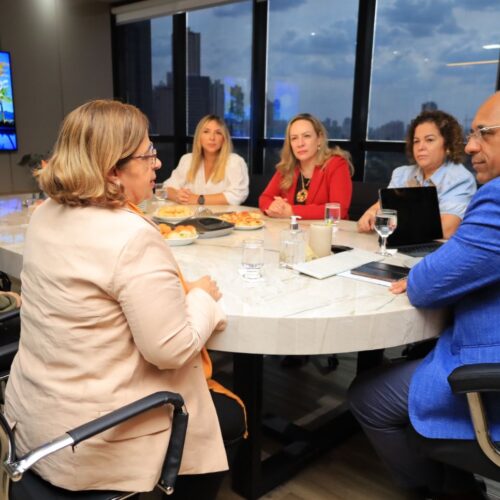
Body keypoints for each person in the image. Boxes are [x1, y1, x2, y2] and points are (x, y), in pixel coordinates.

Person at [4, 100, 245, 498]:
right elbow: (171, 350)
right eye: (148, 154)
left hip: (30, 422)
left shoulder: (44, 214)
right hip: (89, 439)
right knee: (229, 416)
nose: (158, 165)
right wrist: (202, 297)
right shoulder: (131, 236)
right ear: (114, 168)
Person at [348, 92, 500, 498]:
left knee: (366, 396)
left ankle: (436, 491)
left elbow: (428, 282)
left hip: (487, 366)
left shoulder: (497, 198)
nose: (470, 146)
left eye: (483, 133)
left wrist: (425, 274)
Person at [358, 110, 477, 239]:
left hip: (437, 252)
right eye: (416, 141)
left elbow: (446, 229)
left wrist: (393, 222)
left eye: (429, 140)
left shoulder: (460, 179)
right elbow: (382, 210)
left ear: (448, 145)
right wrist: (369, 214)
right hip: (399, 246)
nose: (421, 147)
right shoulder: (401, 174)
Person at [259, 113, 353, 220]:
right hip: (291, 233)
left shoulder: (336, 164)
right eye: (294, 138)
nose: (300, 143)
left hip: (329, 234)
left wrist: (292, 211)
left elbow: (338, 210)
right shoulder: (288, 167)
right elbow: (265, 198)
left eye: (306, 136)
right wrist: (273, 206)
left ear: (319, 139)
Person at [165, 114, 249, 206]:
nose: (212, 138)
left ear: (224, 139)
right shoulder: (187, 160)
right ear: (199, 137)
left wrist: (199, 199)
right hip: (191, 217)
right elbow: (167, 188)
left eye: (218, 133)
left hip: (223, 218)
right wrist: (177, 195)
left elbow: (237, 195)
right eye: (206, 132)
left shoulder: (235, 162)